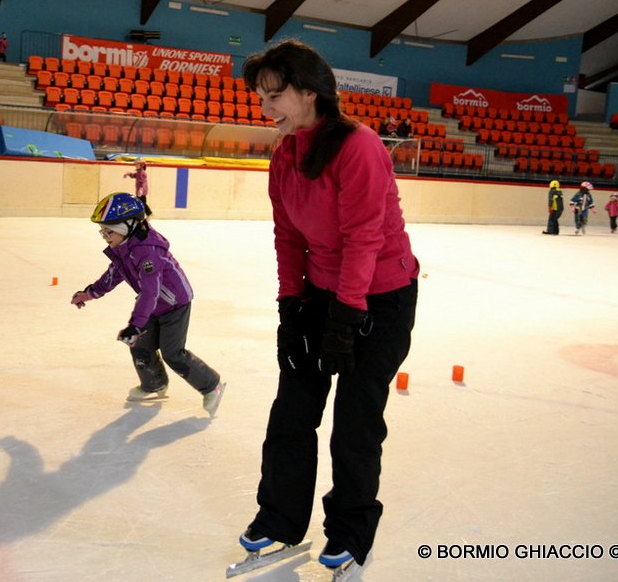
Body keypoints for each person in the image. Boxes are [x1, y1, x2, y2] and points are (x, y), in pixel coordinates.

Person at [235, 40, 418, 580]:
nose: (265, 106)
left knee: (355, 422)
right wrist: (290, 307)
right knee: (292, 411)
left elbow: (364, 236)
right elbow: (288, 236)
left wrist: (347, 316)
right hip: (319, 294)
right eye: (261, 95)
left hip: (380, 298)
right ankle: (280, 518)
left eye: (275, 95)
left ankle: (350, 532)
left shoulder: (359, 146)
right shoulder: (285, 154)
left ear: (310, 92)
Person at [70, 192, 225, 415]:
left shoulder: (148, 252)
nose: (104, 236)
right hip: (152, 305)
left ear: (127, 226)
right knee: (140, 345)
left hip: (174, 304)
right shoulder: (125, 247)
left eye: (108, 231)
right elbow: (115, 273)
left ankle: (212, 386)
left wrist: (135, 325)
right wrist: (89, 293)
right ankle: (154, 383)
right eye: (102, 231)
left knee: (173, 352)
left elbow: (150, 292)